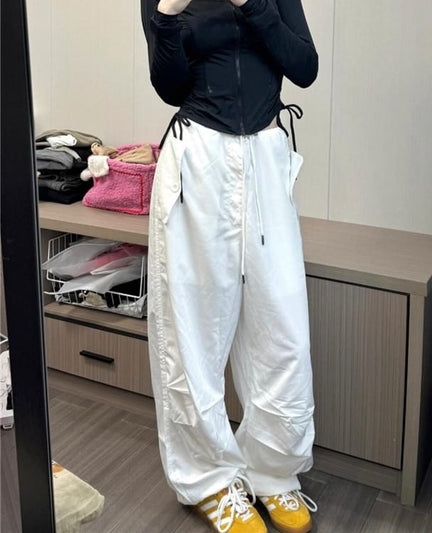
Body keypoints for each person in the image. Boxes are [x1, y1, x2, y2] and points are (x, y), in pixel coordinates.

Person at [143, 0, 319, 531]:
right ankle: (209, 481)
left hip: (265, 155)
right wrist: (167, 14)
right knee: (193, 331)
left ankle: (273, 471)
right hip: (198, 158)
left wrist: (253, 5)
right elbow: (169, 85)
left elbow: (304, 67)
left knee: (281, 326)